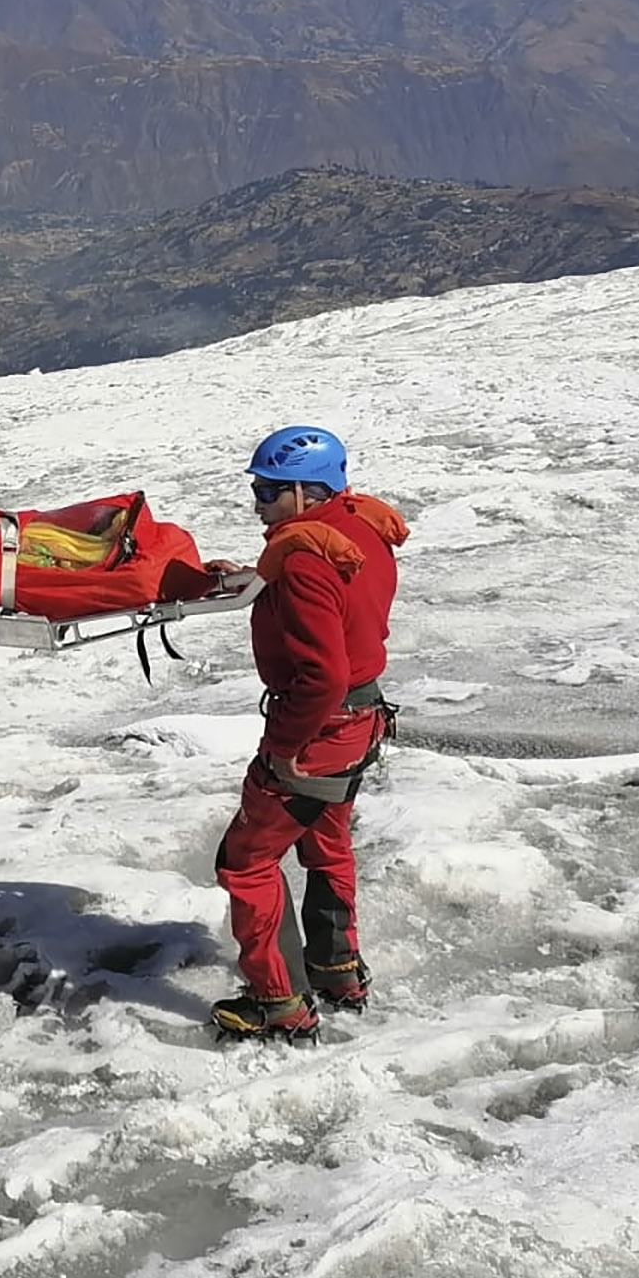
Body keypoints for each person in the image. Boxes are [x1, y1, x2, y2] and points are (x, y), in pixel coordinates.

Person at [210, 424, 409, 1040]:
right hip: (361, 721)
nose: (260, 505)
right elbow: (338, 594)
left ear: (304, 490)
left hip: (320, 729)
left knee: (247, 860)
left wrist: (285, 749)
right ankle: (336, 967)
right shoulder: (358, 527)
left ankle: (276, 1002)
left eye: (269, 492)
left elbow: (321, 674)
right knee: (326, 844)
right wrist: (256, 576)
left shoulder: (302, 560)